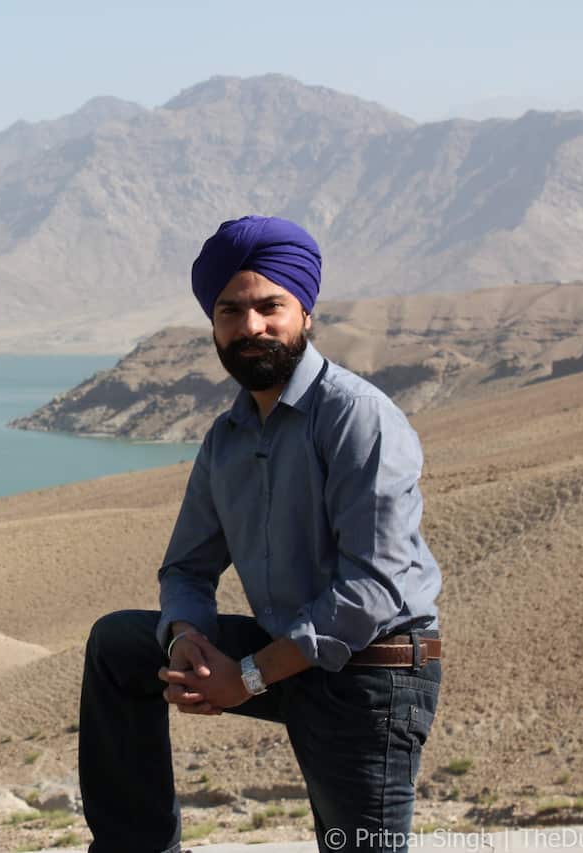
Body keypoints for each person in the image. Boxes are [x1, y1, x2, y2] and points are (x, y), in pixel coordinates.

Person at [78, 216, 442, 853]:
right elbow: (187, 569)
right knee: (121, 643)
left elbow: (372, 589)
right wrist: (187, 636)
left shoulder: (357, 416)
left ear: (305, 312)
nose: (250, 327)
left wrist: (243, 678)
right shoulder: (227, 437)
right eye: (230, 311)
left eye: (270, 306)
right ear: (213, 325)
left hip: (371, 673)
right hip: (286, 657)